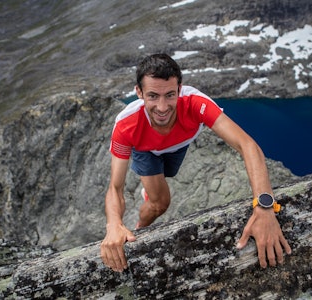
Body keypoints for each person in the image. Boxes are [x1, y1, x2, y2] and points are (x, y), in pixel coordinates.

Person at [100, 53, 291, 272]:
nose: (162, 107)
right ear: (139, 93)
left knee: (168, 174)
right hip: (146, 151)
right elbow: (116, 187)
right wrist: (114, 225)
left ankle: (154, 184)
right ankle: (140, 227)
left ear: (180, 90)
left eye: (170, 95)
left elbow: (247, 145)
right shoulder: (126, 125)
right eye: (152, 96)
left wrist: (265, 208)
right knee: (160, 203)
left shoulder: (195, 103)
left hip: (178, 146)